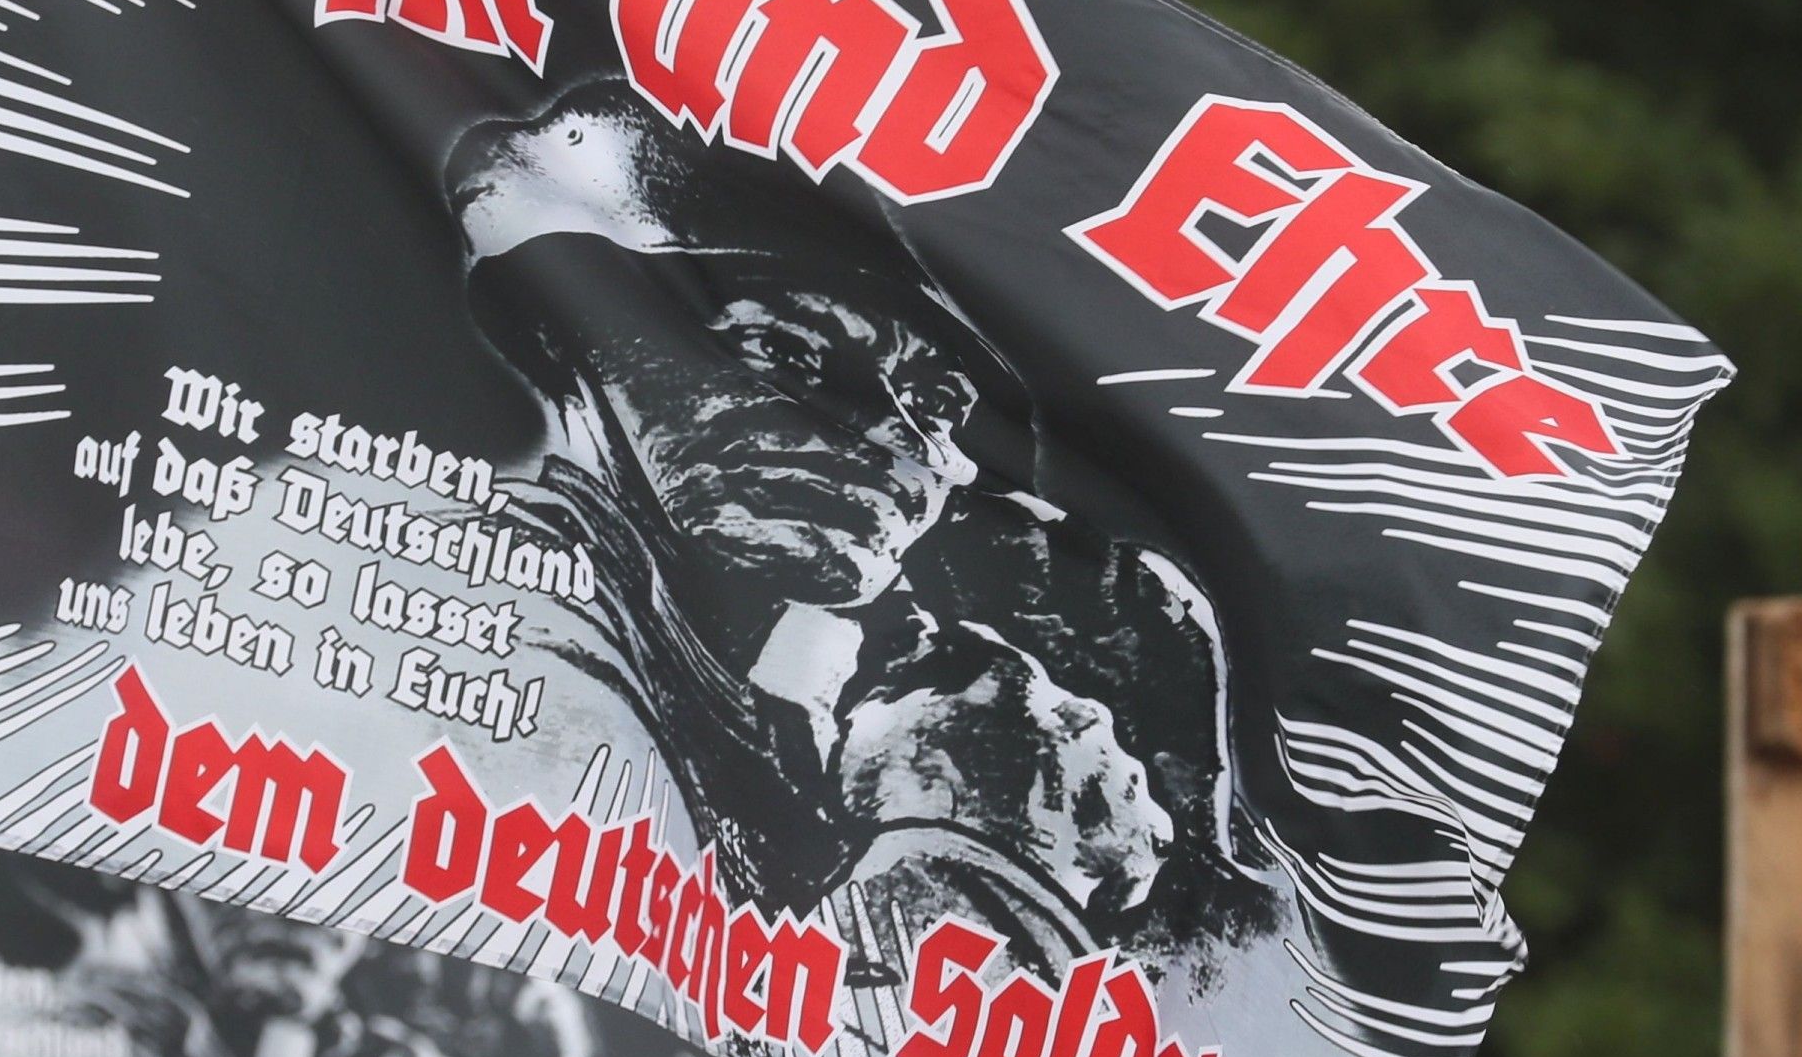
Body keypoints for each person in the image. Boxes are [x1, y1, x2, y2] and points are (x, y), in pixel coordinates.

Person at [443, 78, 1318, 1004]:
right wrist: (955, 849)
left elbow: (1225, 1032)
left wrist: (1188, 857)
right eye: (790, 355)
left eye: (937, 403)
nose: (895, 438)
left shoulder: (829, 682)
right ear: (578, 338)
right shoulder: (490, 616)